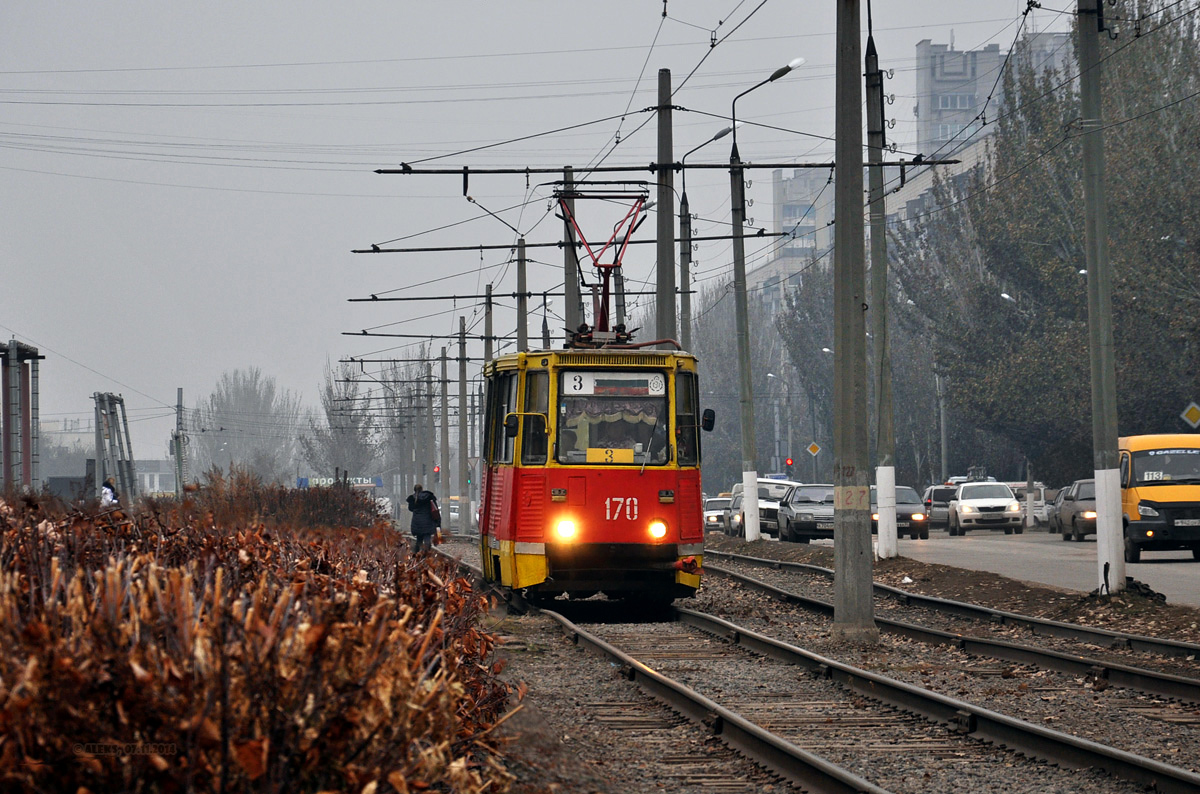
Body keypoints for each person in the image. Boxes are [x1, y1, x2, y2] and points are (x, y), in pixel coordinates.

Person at [406, 483, 441, 554]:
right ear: (422, 489)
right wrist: (438, 521)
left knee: (419, 539)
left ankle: (416, 555)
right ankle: (426, 554)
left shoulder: (412, 498)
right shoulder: (429, 497)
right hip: (427, 521)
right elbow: (435, 508)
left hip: (417, 522)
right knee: (427, 537)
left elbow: (410, 509)